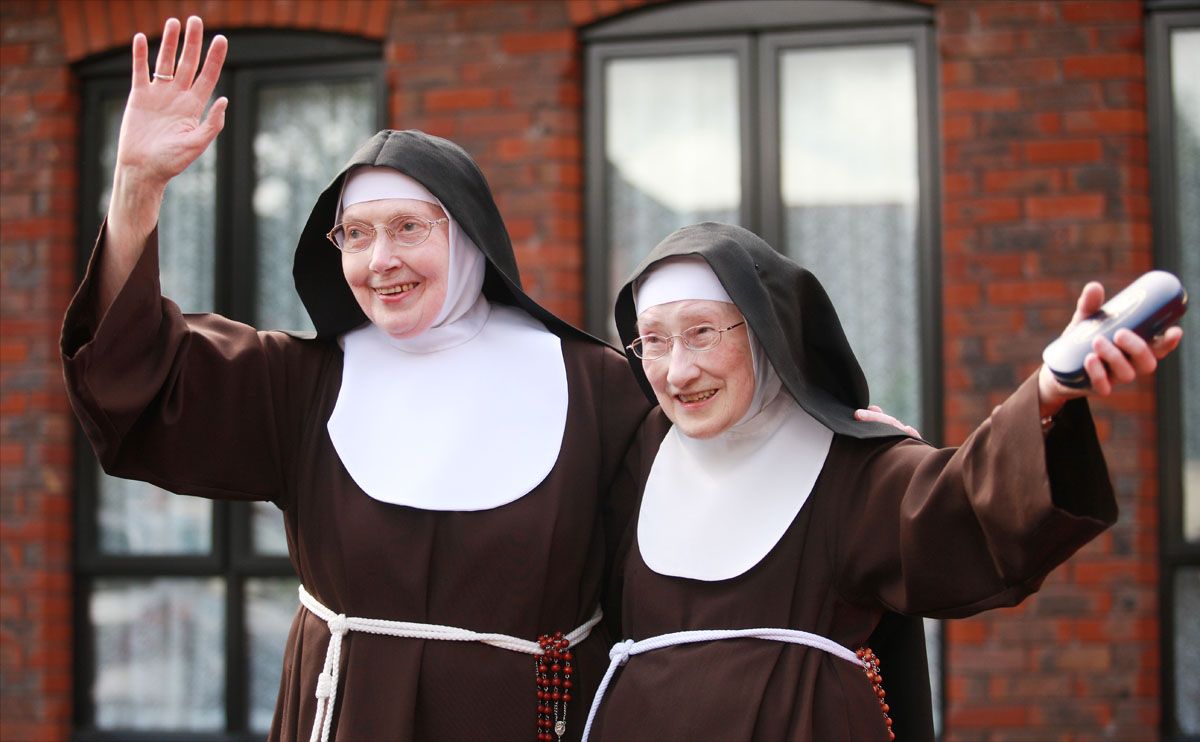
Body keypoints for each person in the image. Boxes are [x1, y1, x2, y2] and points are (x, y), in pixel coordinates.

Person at [61, 16, 661, 742]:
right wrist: (135, 188)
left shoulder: (598, 390)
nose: (380, 261)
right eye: (357, 233)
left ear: (468, 237)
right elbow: (138, 375)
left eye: (410, 228)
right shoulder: (306, 384)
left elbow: (691, 533)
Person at [581, 222, 1183, 742]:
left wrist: (1050, 392)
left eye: (703, 332)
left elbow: (964, 504)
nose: (678, 371)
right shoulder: (635, 459)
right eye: (653, 341)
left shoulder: (848, 466)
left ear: (764, 331)